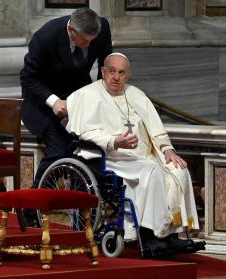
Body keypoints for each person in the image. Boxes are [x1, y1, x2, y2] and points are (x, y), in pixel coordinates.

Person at [66, 52, 204, 256]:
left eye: (121, 73)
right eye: (111, 71)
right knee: (151, 171)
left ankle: (173, 235)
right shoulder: (87, 95)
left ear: (128, 74)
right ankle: (148, 236)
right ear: (103, 72)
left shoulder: (136, 94)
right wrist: (114, 141)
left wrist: (167, 150)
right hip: (112, 157)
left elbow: (156, 128)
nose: (116, 77)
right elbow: (86, 133)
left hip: (145, 156)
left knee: (178, 170)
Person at [20, 8, 112, 226]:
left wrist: (104, 96)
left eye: (92, 40)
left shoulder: (102, 27)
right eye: (83, 41)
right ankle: (31, 209)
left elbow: (104, 66)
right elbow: (28, 78)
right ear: (71, 30)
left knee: (88, 150)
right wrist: (53, 101)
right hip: (43, 101)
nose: (88, 46)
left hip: (78, 96)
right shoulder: (45, 37)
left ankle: (83, 216)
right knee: (60, 150)